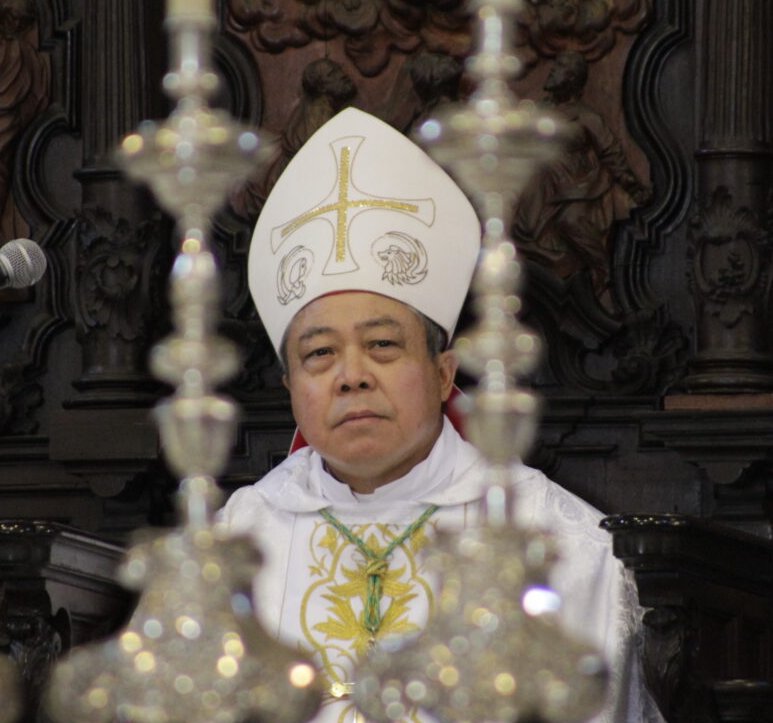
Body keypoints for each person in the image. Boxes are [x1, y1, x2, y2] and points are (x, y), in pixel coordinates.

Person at [219, 107, 664, 723]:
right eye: (320, 354)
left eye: (383, 345)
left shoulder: (559, 545)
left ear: (443, 373)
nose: (352, 374)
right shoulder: (233, 543)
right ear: (292, 385)